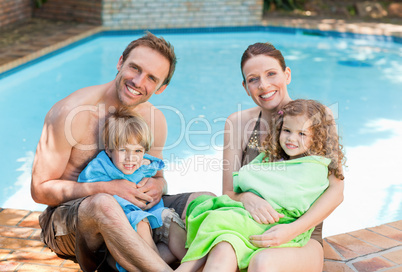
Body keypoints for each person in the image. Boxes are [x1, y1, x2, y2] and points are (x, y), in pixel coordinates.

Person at [31, 32, 212, 272]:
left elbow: (157, 176)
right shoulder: (72, 112)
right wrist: (106, 187)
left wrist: (158, 186)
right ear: (120, 63)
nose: (138, 81)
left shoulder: (154, 120)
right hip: (71, 221)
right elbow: (39, 190)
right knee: (105, 204)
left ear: (161, 87)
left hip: (136, 212)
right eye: (135, 68)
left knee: (206, 201)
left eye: (151, 78)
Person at [177, 99, 345, 271]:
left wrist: (292, 229)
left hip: (289, 228)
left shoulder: (316, 165)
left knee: (217, 220)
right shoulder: (272, 157)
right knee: (221, 243)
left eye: (302, 134)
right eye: (287, 130)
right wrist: (247, 196)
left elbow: (325, 192)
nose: (292, 138)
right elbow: (239, 184)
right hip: (258, 221)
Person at [77, 108, 187, 271]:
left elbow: (157, 175)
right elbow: (85, 189)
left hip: (150, 213)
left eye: (137, 151)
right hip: (124, 221)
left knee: (169, 218)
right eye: (123, 150)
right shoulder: (100, 167)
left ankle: (190, 263)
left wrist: (154, 177)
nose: (131, 158)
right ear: (109, 150)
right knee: (140, 222)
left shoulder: (144, 163)